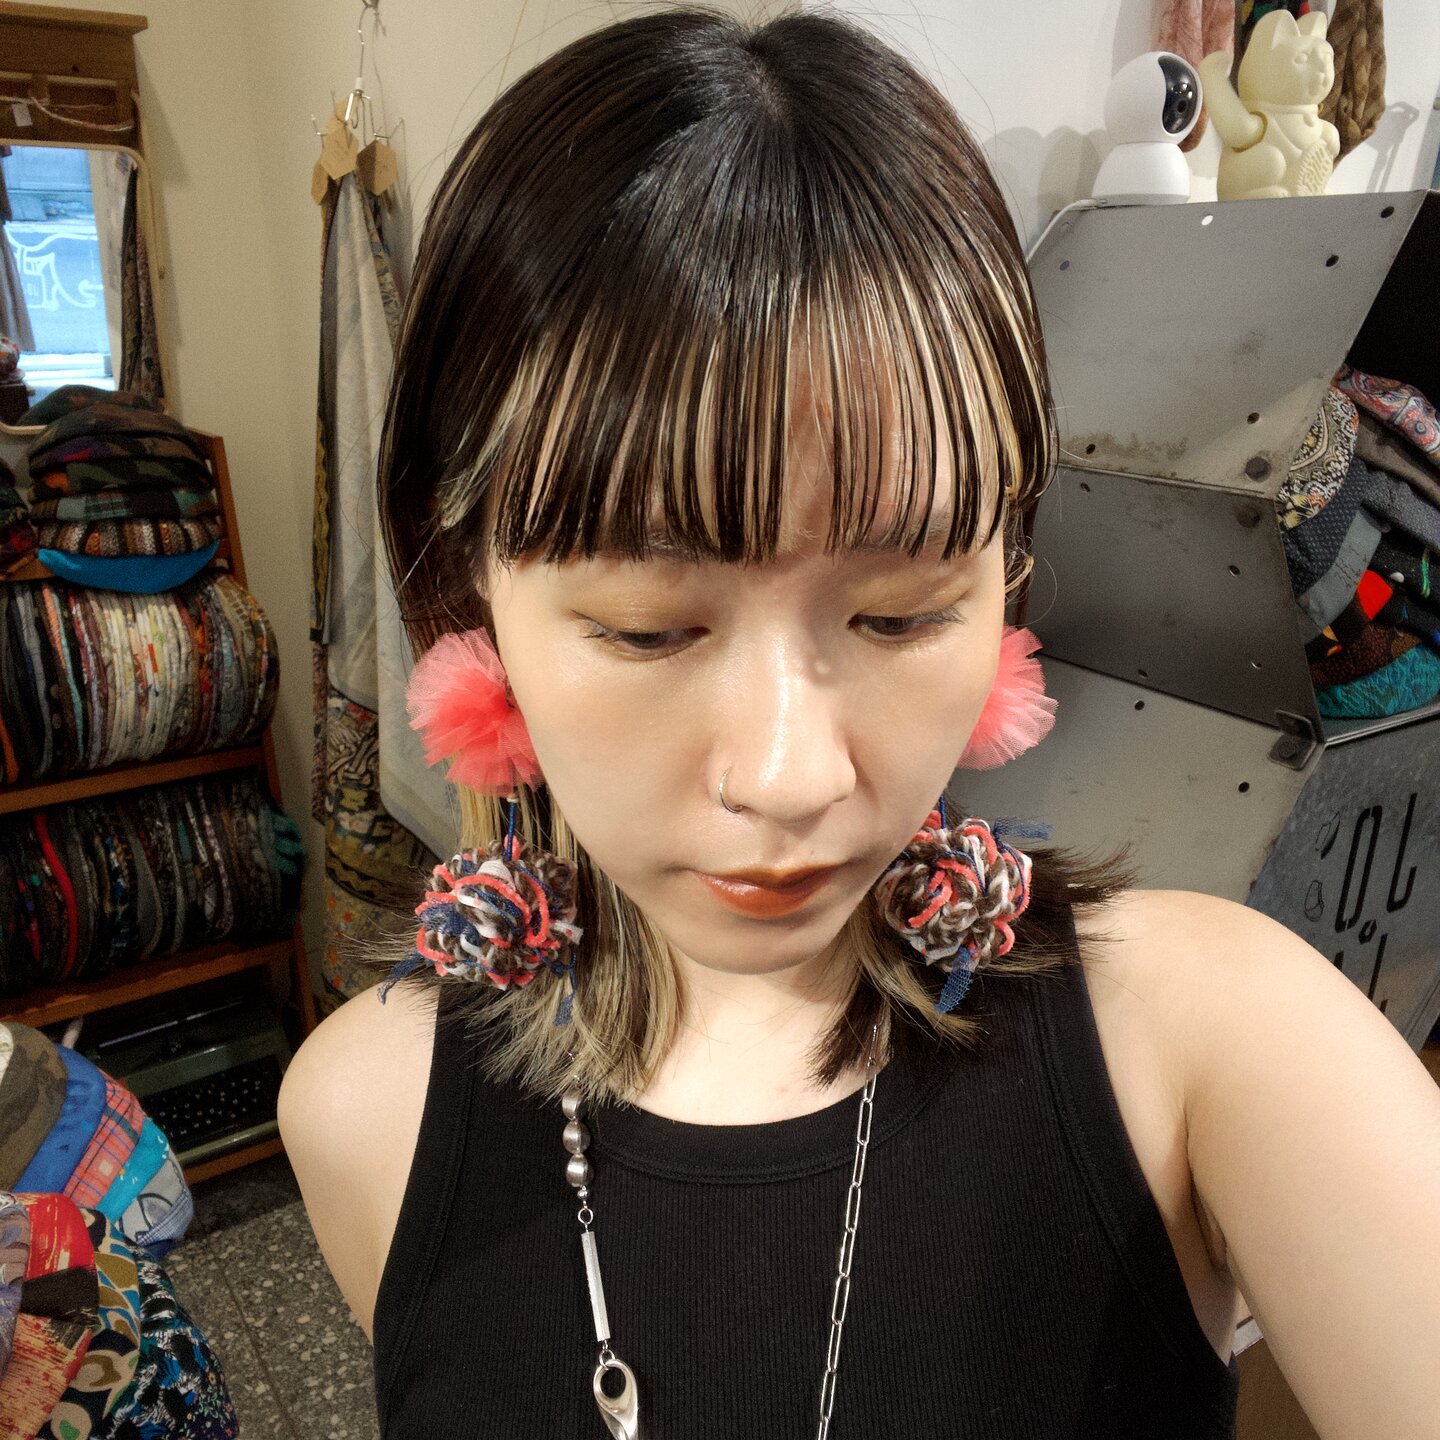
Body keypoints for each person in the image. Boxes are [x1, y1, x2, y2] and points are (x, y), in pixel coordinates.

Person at [277, 8, 1440, 1437]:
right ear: (468, 601)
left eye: (900, 615)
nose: (788, 778)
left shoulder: (1215, 1043)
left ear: (1006, 588)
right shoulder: (361, 1117)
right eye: (648, 628)